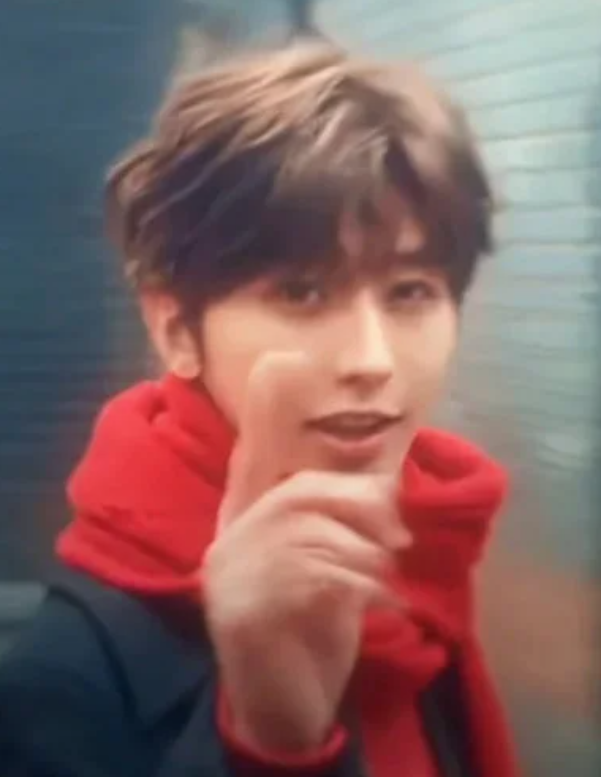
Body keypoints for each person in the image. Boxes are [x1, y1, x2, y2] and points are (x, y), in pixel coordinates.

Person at [0, 41, 519, 777]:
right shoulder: (64, 682)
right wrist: (269, 743)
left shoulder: (426, 556)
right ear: (176, 329)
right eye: (301, 292)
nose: (371, 359)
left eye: (410, 292)